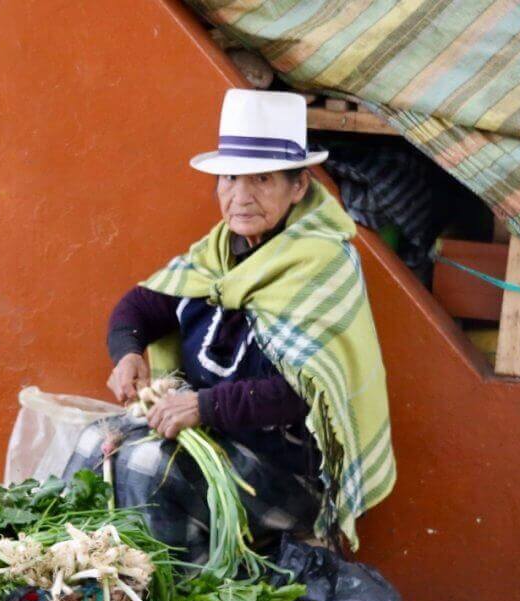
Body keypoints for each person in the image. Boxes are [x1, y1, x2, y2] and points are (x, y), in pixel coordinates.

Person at [64, 89, 396, 558]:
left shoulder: (323, 264)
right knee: (96, 443)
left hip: (287, 472)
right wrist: (128, 353)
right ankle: (70, 578)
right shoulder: (218, 253)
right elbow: (139, 307)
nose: (241, 197)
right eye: (230, 178)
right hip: (212, 435)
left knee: (147, 466)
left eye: (261, 179)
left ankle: (159, 594)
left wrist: (205, 406)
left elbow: (308, 390)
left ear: (298, 186)